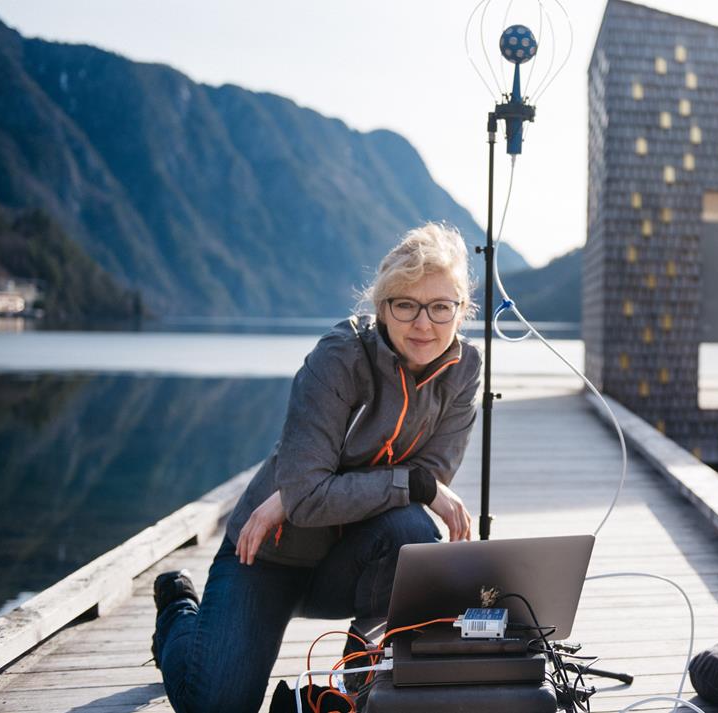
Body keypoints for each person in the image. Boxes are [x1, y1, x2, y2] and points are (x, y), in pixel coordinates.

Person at [151, 223, 482, 712]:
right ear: (382, 308)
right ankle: (179, 612)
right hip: (266, 554)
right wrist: (309, 493)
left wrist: (310, 490)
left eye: (440, 307)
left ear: (460, 310)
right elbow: (319, 496)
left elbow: (427, 476)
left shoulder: (464, 369)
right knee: (218, 704)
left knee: (411, 527)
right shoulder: (339, 357)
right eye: (405, 305)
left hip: (353, 562)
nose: (423, 324)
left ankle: (362, 681)